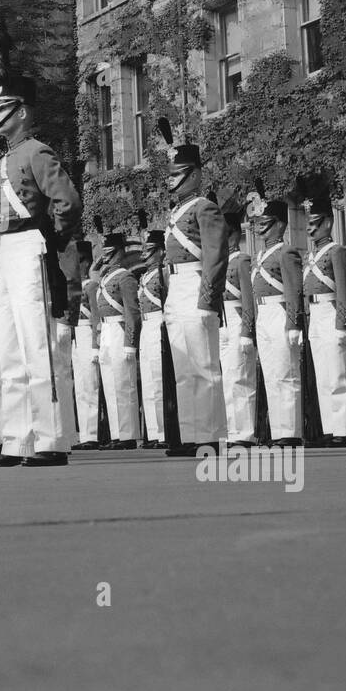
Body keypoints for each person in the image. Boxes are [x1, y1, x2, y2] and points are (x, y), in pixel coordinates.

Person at [0, 73, 82, 468]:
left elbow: (68, 202)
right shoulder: (0, 163)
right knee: (7, 351)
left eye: (2, 108)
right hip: (6, 254)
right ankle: (16, 439)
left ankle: (50, 438)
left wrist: (51, 238)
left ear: (21, 112)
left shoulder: (37, 152)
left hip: (30, 247)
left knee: (36, 345)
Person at [157, 126, 228, 454]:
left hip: (197, 284)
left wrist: (208, 299)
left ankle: (210, 436)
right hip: (177, 289)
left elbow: (215, 254)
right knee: (184, 370)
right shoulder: (175, 212)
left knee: (204, 367)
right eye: (171, 174)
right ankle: (189, 436)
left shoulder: (204, 208)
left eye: (180, 174)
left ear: (196, 174)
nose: (174, 180)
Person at [302, 184, 346, 448]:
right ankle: (328, 428)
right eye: (308, 223)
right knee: (323, 377)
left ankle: (343, 430)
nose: (310, 228)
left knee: (338, 374)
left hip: (332, 311)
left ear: (328, 222)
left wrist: (343, 324)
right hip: (315, 314)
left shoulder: (337, 252)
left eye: (315, 222)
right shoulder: (312, 255)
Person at [248, 188, 304, 445]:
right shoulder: (260, 255)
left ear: (279, 225)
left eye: (266, 224)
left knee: (286, 373)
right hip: (264, 314)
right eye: (259, 224)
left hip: (280, 312)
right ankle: (278, 430)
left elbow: (294, 290)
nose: (261, 229)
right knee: (271, 374)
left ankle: (290, 432)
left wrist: (294, 323)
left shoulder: (286, 252)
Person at [93, 233, 140, 450]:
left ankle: (128, 434)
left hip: (120, 330)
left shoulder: (125, 277)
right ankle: (116, 433)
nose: (107, 258)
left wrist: (130, 342)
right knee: (110, 386)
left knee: (124, 384)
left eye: (111, 253)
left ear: (120, 252)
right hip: (106, 331)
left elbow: (132, 312)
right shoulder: (104, 277)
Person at [218, 196, 257, 445]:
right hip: (222, 322)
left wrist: (247, 330)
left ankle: (245, 433)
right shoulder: (221, 262)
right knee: (227, 380)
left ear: (231, 235)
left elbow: (248, 299)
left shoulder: (241, 260)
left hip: (235, 318)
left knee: (240, 377)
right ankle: (232, 430)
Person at [136, 228, 167, 449]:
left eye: (151, 250)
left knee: (159, 379)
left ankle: (166, 433)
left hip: (158, 321)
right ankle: (154, 433)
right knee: (148, 382)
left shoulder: (164, 273)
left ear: (161, 251)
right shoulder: (144, 276)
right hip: (146, 326)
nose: (146, 254)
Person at [70, 240, 101, 451]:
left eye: (79, 262)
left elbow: (96, 319)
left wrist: (95, 346)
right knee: (80, 388)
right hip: (74, 337)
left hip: (87, 335)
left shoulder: (92, 286)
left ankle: (94, 435)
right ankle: (85, 434)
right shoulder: (74, 286)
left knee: (90, 386)